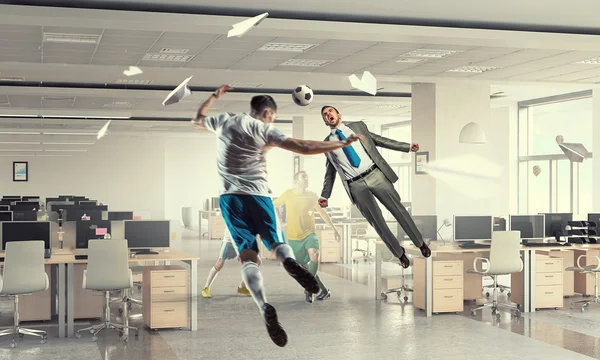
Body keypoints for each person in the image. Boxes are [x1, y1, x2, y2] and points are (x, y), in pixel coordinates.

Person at [191, 85, 364, 347]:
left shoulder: (225, 120)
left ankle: (263, 306)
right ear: (268, 112)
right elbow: (303, 146)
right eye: (273, 115)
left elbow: (198, 120)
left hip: (229, 198)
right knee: (277, 243)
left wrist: (215, 96)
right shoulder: (264, 129)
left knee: (248, 256)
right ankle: (288, 261)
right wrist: (341, 142)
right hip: (259, 196)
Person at [318, 105, 431, 269]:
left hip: (375, 175)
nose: (328, 115)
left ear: (338, 115)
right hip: (355, 185)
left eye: (330, 111)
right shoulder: (327, 144)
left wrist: (405, 147)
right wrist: (325, 195)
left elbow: (379, 140)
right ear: (325, 121)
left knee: (398, 210)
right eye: (325, 114)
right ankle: (399, 254)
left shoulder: (357, 127)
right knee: (377, 222)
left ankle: (420, 244)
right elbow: (330, 171)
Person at [274, 171, 341, 303]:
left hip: (310, 234)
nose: (306, 179)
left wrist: (333, 228)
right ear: (296, 181)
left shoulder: (312, 196)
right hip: (294, 237)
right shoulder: (288, 194)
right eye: (303, 177)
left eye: (307, 176)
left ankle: (309, 290)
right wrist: (280, 220)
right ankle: (324, 290)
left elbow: (322, 213)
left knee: (314, 254)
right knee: (305, 268)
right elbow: (273, 204)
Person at [201, 228, 259, 299]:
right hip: (230, 240)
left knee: (256, 261)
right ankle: (206, 287)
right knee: (219, 263)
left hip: (243, 241)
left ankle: (242, 286)